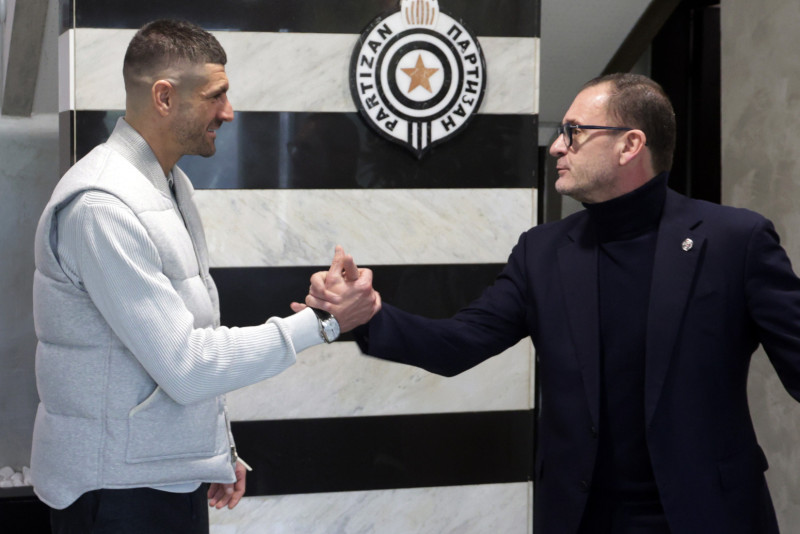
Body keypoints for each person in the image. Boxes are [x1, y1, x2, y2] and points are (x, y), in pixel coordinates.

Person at [298, 73, 800, 533]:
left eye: (574, 132)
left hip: (711, 515)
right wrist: (370, 316)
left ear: (630, 145)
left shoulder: (735, 241)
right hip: (580, 518)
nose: (558, 145)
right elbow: (458, 344)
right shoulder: (541, 252)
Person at [31, 19, 377, 534]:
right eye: (216, 96)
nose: (228, 112)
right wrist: (323, 323)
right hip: (116, 495)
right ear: (164, 97)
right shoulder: (103, 207)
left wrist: (214, 450)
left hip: (158, 478)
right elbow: (186, 365)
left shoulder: (169, 185)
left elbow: (185, 337)